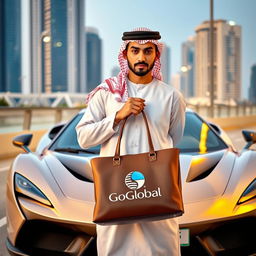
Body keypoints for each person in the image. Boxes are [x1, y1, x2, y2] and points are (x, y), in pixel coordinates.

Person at [76, 27, 186, 256]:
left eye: (148, 51)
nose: (141, 57)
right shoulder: (106, 94)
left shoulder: (171, 96)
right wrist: (117, 116)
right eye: (135, 51)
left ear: (156, 55)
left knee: (162, 247)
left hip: (158, 190)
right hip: (117, 192)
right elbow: (84, 138)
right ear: (125, 54)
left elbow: (173, 140)